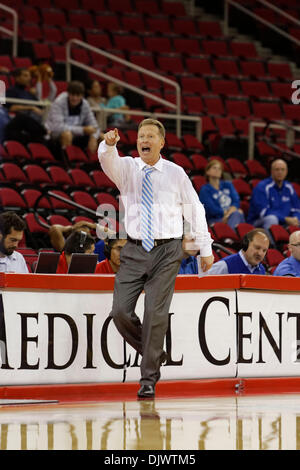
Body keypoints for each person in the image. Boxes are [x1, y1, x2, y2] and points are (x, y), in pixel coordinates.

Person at [98, 118, 214, 399]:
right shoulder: (127, 168)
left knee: (155, 313)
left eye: (150, 135)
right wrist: (108, 145)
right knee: (120, 312)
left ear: (161, 143)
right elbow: (107, 160)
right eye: (140, 136)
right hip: (134, 249)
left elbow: (194, 208)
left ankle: (148, 378)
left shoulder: (176, 173)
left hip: (167, 250)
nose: (144, 140)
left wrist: (205, 246)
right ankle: (155, 352)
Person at [45, 80, 102, 153]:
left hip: (76, 133)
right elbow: (58, 127)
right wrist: (83, 130)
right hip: (55, 133)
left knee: (102, 137)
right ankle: (66, 162)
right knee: (67, 134)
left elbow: (95, 126)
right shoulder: (59, 102)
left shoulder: (85, 104)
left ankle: (95, 162)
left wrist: (93, 137)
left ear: (82, 96)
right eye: (72, 95)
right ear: (68, 93)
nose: (75, 98)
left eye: (78, 95)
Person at [247, 158, 300, 230]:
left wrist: (295, 218)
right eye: (277, 169)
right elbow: (263, 212)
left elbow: (296, 209)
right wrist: (285, 219)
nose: (280, 172)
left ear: (286, 172)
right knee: (272, 219)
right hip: (258, 222)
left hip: (284, 222)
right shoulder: (262, 187)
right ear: (271, 171)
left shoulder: (289, 187)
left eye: (282, 169)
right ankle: (270, 242)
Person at [4, 68, 48, 144]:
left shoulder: (29, 93)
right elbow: (10, 108)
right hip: (18, 123)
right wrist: (31, 107)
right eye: (25, 76)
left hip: (35, 122)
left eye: (29, 76)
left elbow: (41, 107)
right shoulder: (11, 91)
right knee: (23, 118)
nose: (29, 78)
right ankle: (44, 132)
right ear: (17, 78)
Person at [199, 159, 245, 230]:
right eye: (214, 168)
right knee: (238, 214)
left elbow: (236, 201)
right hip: (216, 219)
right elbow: (211, 209)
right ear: (207, 171)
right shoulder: (205, 189)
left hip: (231, 215)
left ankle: (231, 237)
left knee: (238, 214)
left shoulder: (228, 185)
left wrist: (228, 215)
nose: (217, 170)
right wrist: (227, 214)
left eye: (219, 169)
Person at [48, 220, 115, 261]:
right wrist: (71, 228)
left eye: (86, 234)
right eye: (80, 234)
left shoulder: (96, 247)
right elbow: (55, 229)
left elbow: (115, 236)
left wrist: (93, 226)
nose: (83, 237)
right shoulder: (67, 250)